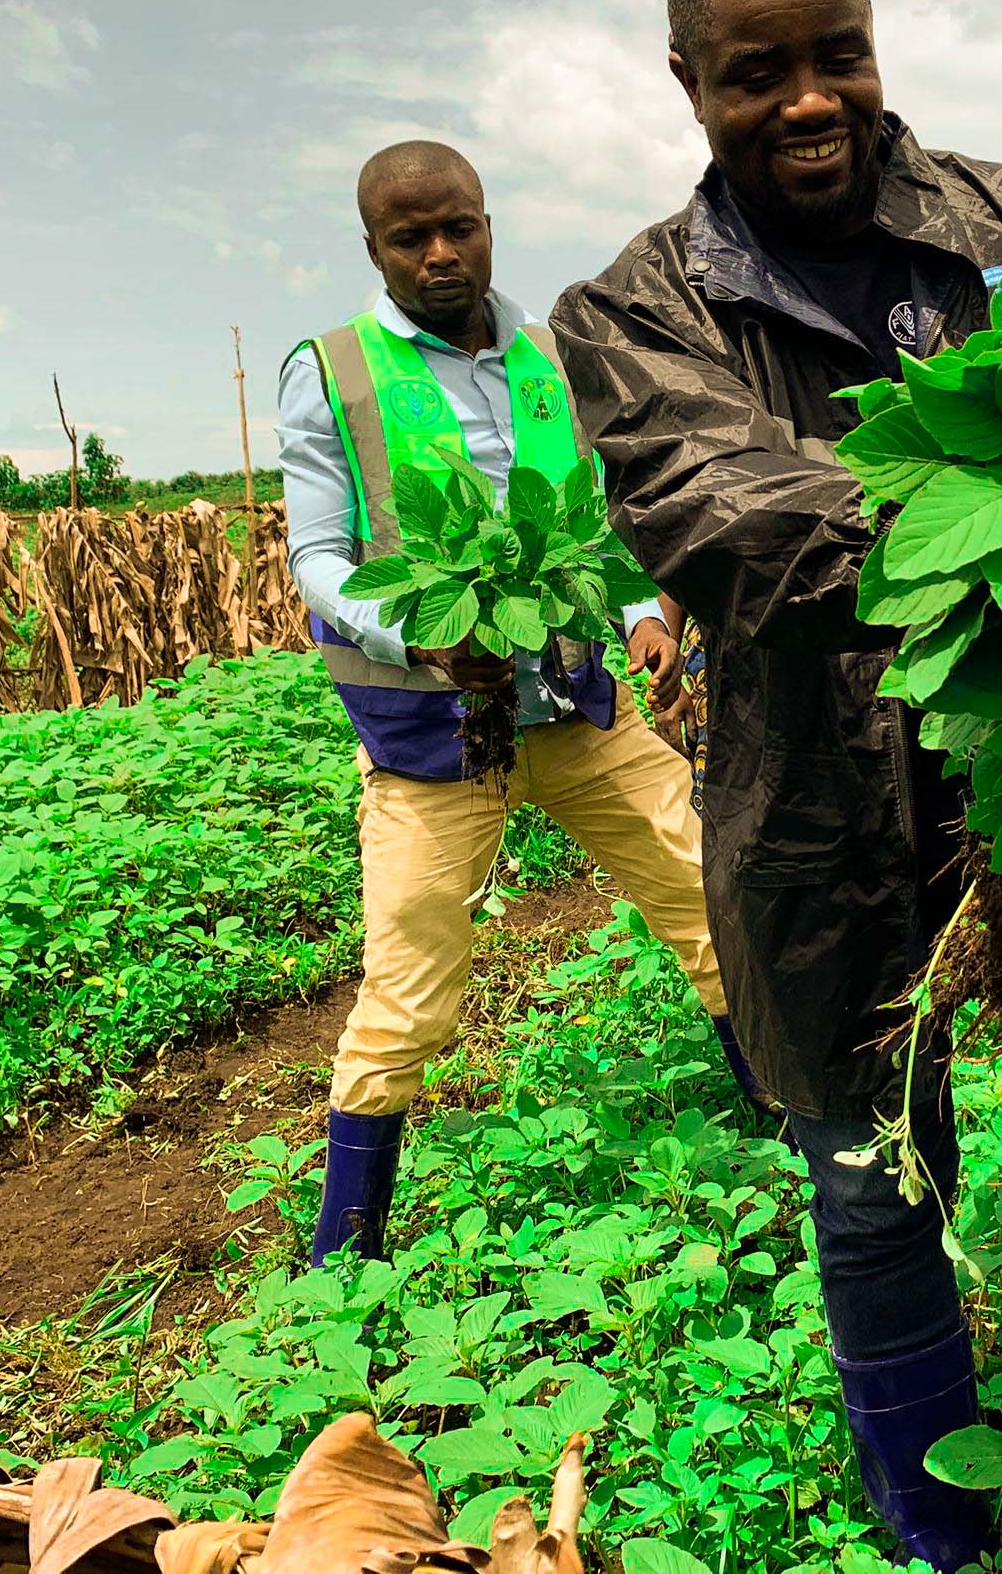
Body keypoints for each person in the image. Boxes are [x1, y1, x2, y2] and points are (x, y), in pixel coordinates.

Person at [551, 0, 1002, 1571]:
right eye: (757, 72)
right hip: (819, 805)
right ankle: (938, 1522)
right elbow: (739, 531)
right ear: (688, 82)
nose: (807, 99)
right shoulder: (632, 309)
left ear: (875, 44)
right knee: (870, 1177)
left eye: (836, 55)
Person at [278, 140, 749, 1268]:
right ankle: (344, 1258)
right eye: (410, 238)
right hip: (434, 738)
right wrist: (420, 637)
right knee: (408, 991)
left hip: (580, 711)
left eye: (461, 228)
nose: (441, 254)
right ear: (373, 249)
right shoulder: (332, 370)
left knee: (713, 904)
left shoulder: (549, 354)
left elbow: (595, 522)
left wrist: (642, 617)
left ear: (489, 224)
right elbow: (318, 558)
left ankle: (788, 1135)